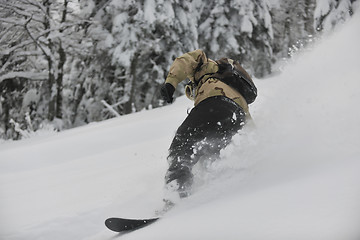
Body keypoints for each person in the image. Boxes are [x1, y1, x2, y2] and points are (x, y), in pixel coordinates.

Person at [160, 49, 257, 199]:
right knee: (209, 156)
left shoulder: (207, 66)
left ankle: (176, 195)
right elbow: (250, 128)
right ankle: (209, 197)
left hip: (215, 105)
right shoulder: (238, 94)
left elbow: (185, 60)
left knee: (182, 144)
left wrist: (170, 83)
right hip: (235, 118)